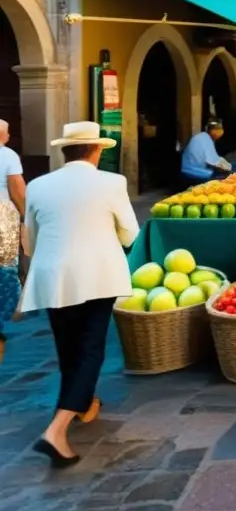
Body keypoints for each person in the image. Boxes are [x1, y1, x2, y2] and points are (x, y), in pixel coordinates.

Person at [21, 122, 140, 467]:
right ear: (97, 150)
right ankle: (56, 430)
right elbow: (130, 232)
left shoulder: (38, 185)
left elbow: (31, 236)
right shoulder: (111, 182)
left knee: (68, 346)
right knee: (90, 349)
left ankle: (83, 404)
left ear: (65, 151)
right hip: (96, 274)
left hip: (52, 274)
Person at [0, 120, 26, 359]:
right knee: (6, 263)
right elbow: (16, 188)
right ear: (4, 136)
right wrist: (26, 213)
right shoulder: (7, 154)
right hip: (2, 213)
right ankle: (8, 311)